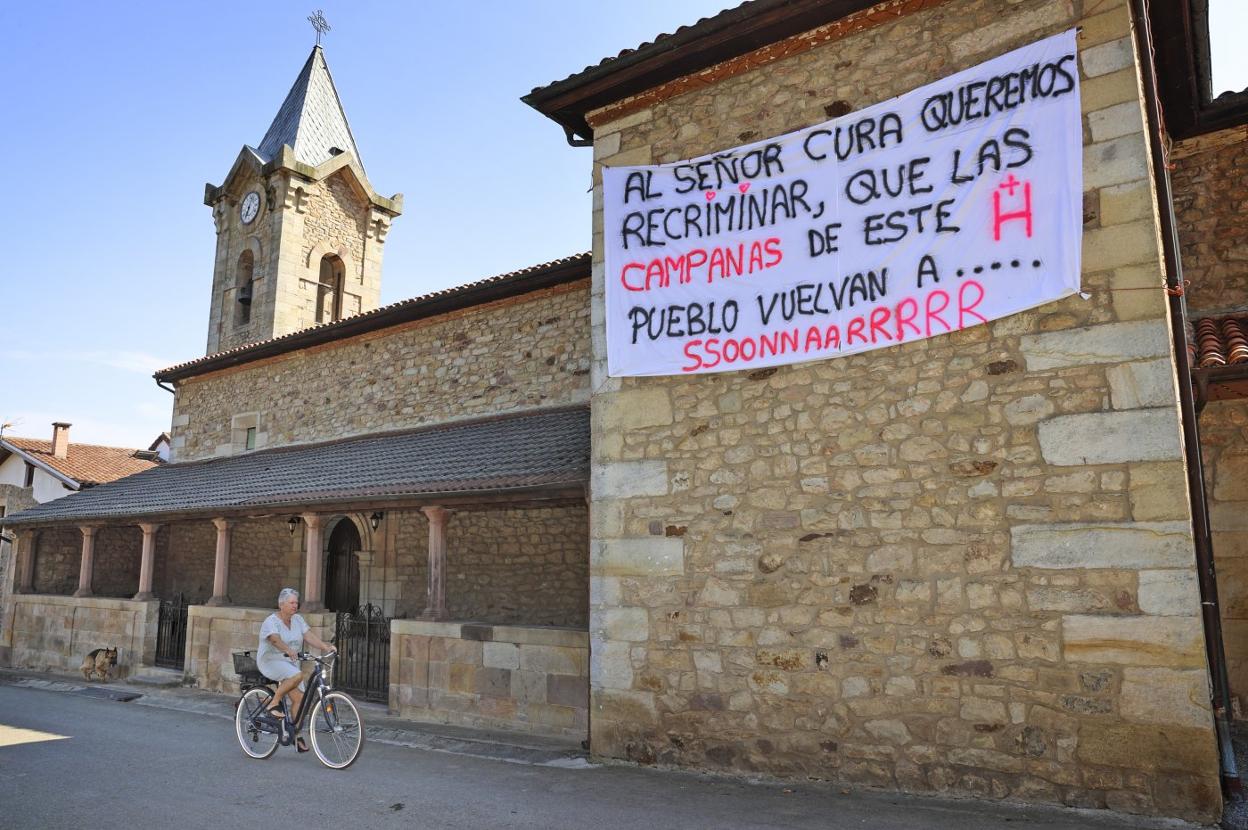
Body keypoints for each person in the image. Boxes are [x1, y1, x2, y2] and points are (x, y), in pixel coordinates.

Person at [258, 587, 334, 752]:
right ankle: (274, 703)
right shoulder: (271, 621)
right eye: (291, 602)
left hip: (289, 665)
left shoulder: (298, 619)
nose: (295, 605)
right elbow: (275, 640)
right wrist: (287, 649)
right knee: (298, 675)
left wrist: (325, 647)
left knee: (300, 699)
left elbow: (309, 636)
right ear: (281, 604)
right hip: (271, 661)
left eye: (296, 602)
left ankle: (295, 734)